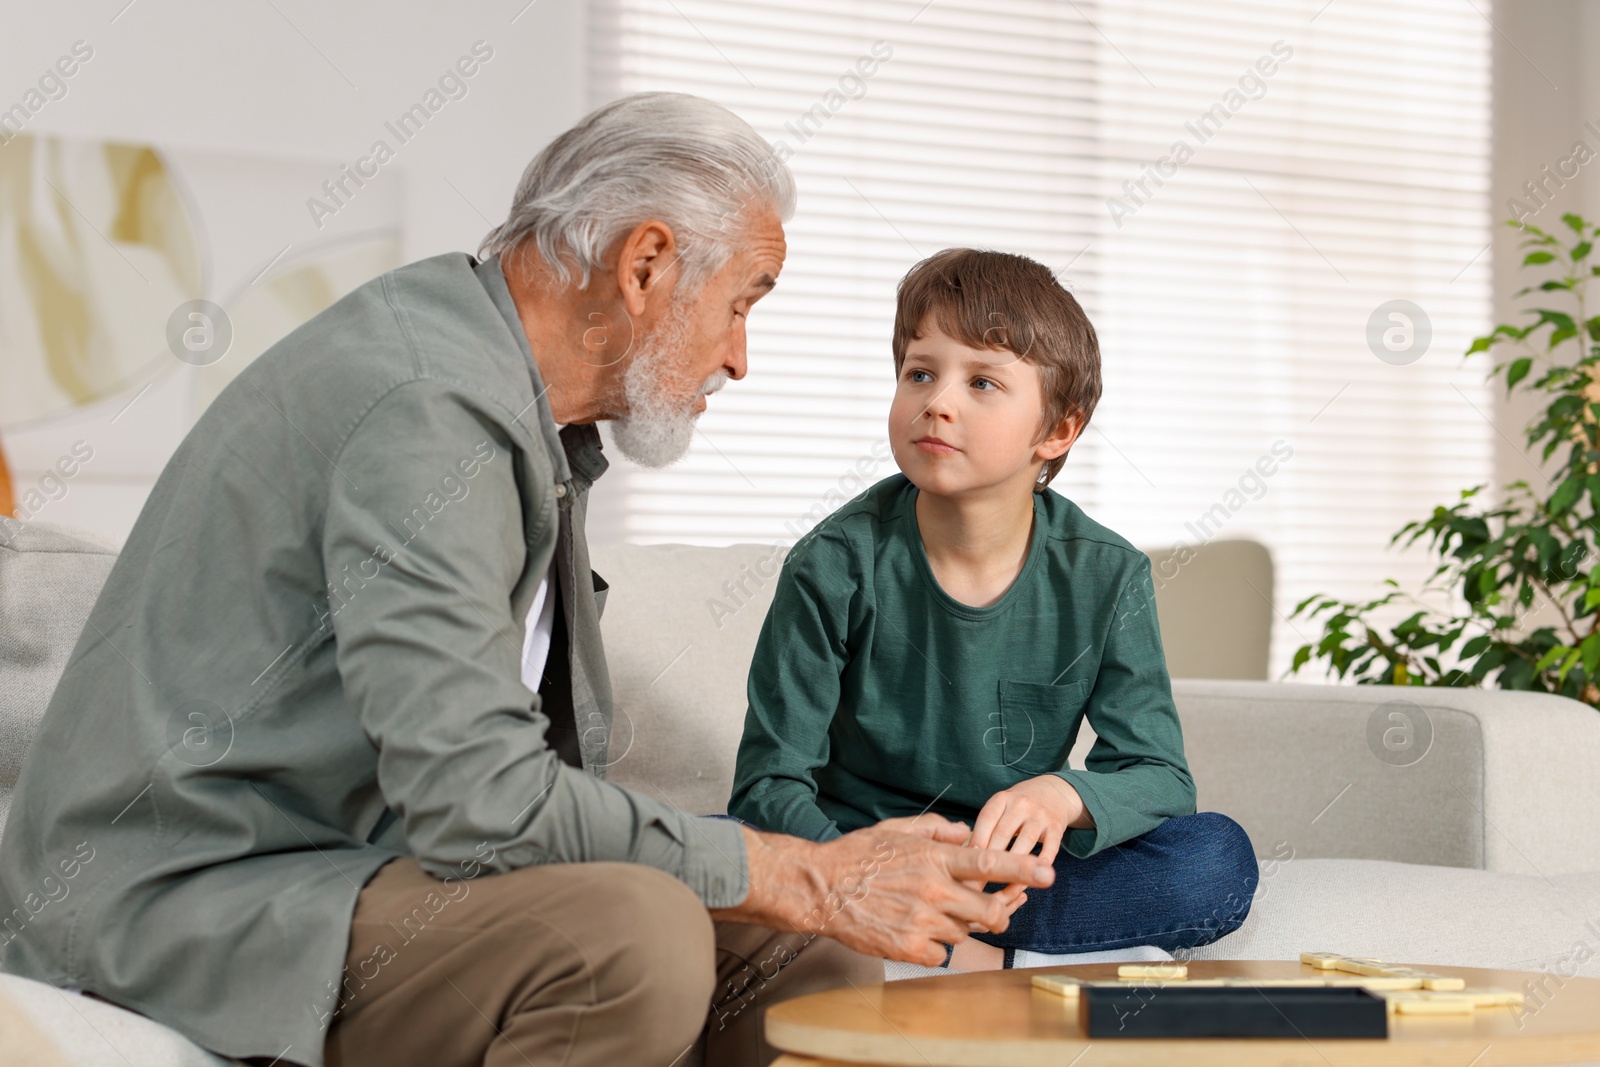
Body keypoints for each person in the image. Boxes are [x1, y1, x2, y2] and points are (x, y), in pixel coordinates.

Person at [0, 95, 1057, 1067]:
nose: (741, 356)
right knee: (630, 940)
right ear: (645, 264)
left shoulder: (514, 406)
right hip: (181, 893)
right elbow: (478, 798)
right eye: (740, 303)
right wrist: (795, 868)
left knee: (801, 953)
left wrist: (795, 896)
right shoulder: (424, 405)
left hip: (343, 867)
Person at [728, 248, 1260, 971]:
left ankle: (946, 948)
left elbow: (1159, 773)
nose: (937, 401)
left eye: (982, 381)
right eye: (920, 372)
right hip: (854, 853)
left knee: (1215, 858)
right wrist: (856, 868)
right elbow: (768, 785)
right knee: (694, 852)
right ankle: (972, 950)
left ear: (1057, 431)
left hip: (1004, 866)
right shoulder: (832, 562)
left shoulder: (1107, 573)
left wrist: (1062, 794)